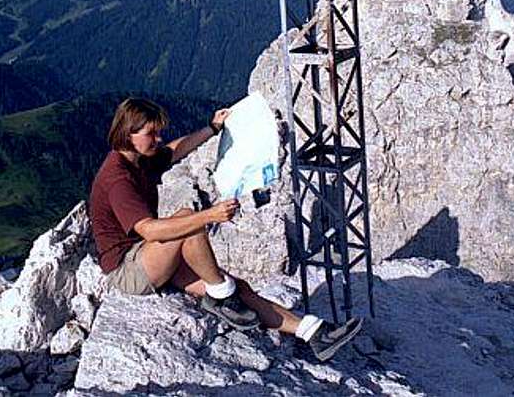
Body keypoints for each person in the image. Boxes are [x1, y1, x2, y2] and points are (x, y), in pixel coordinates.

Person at [88, 97, 361, 362]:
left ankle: (314, 333)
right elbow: (149, 231)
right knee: (190, 223)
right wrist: (209, 215)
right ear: (128, 133)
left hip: (149, 257)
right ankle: (220, 297)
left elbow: (173, 151)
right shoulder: (118, 178)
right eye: (152, 133)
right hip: (127, 270)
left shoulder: (139, 158)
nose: (158, 139)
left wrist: (212, 128)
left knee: (236, 287)